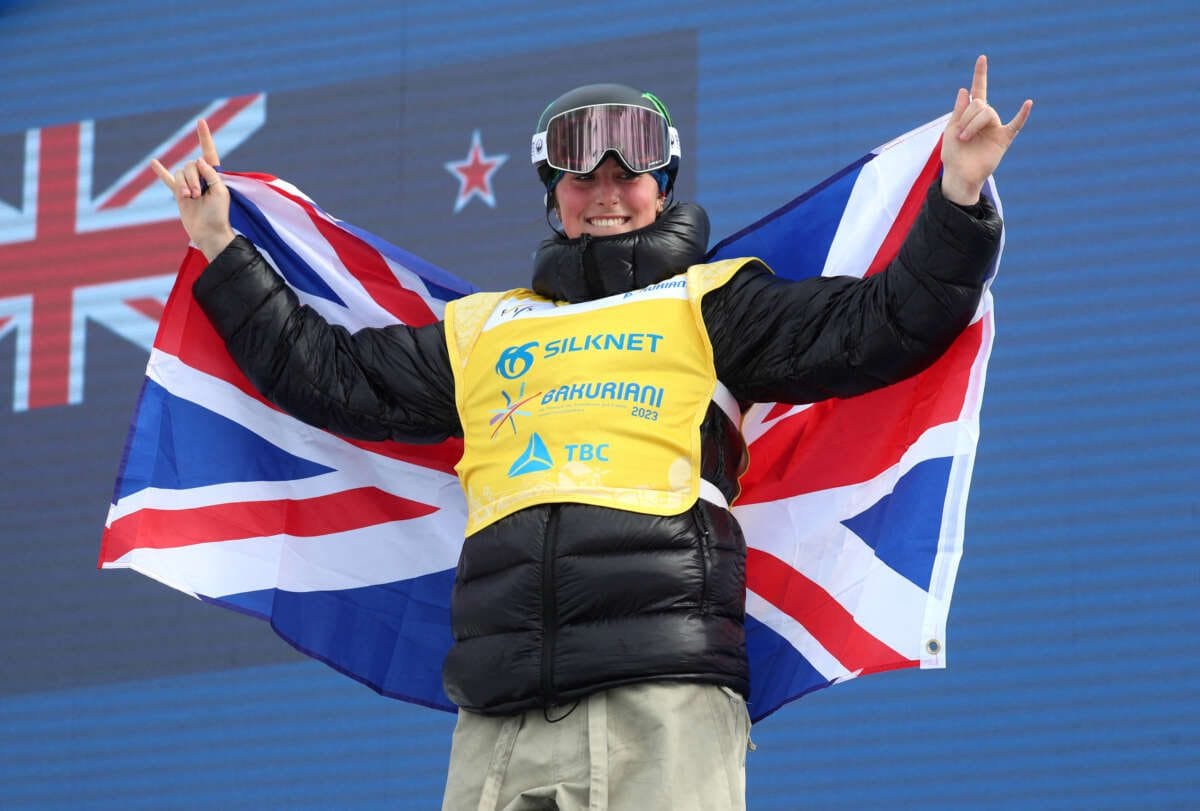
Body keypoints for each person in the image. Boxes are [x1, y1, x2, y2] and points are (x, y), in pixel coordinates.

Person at [152, 55, 1030, 811]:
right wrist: (222, 248)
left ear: (663, 186)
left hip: (661, 695)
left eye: (628, 174)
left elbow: (889, 321)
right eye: (582, 176)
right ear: (555, 195)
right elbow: (327, 373)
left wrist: (957, 195)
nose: (606, 193)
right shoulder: (485, 330)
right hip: (501, 707)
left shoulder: (717, 304)